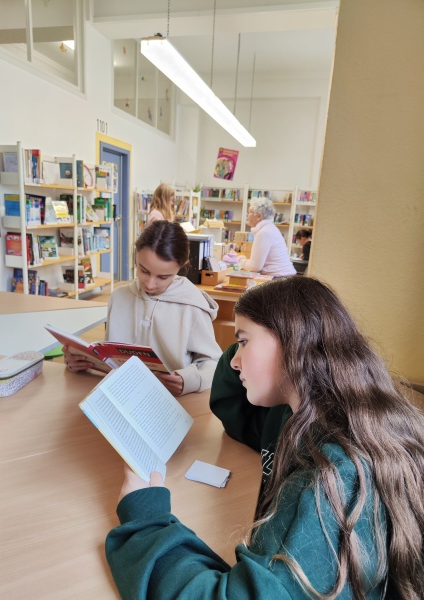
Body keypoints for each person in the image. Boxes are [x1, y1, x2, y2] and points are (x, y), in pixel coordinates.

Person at [105, 277, 424, 599]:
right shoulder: (332, 419)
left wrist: (145, 514)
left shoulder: (330, 478)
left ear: (293, 342)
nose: (234, 360)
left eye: (243, 341)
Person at [63, 221, 221, 396]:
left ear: (182, 266)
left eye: (163, 277)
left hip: (171, 400)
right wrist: (78, 360)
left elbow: (214, 362)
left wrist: (190, 380)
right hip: (121, 394)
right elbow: (109, 356)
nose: (150, 284)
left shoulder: (193, 307)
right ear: (136, 255)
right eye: (144, 270)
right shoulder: (119, 297)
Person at [237, 196, 296, 277]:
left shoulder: (264, 233)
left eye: (250, 212)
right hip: (284, 277)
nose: (247, 215)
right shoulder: (269, 228)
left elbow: (254, 267)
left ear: (259, 216)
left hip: (279, 278)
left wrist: (238, 258)